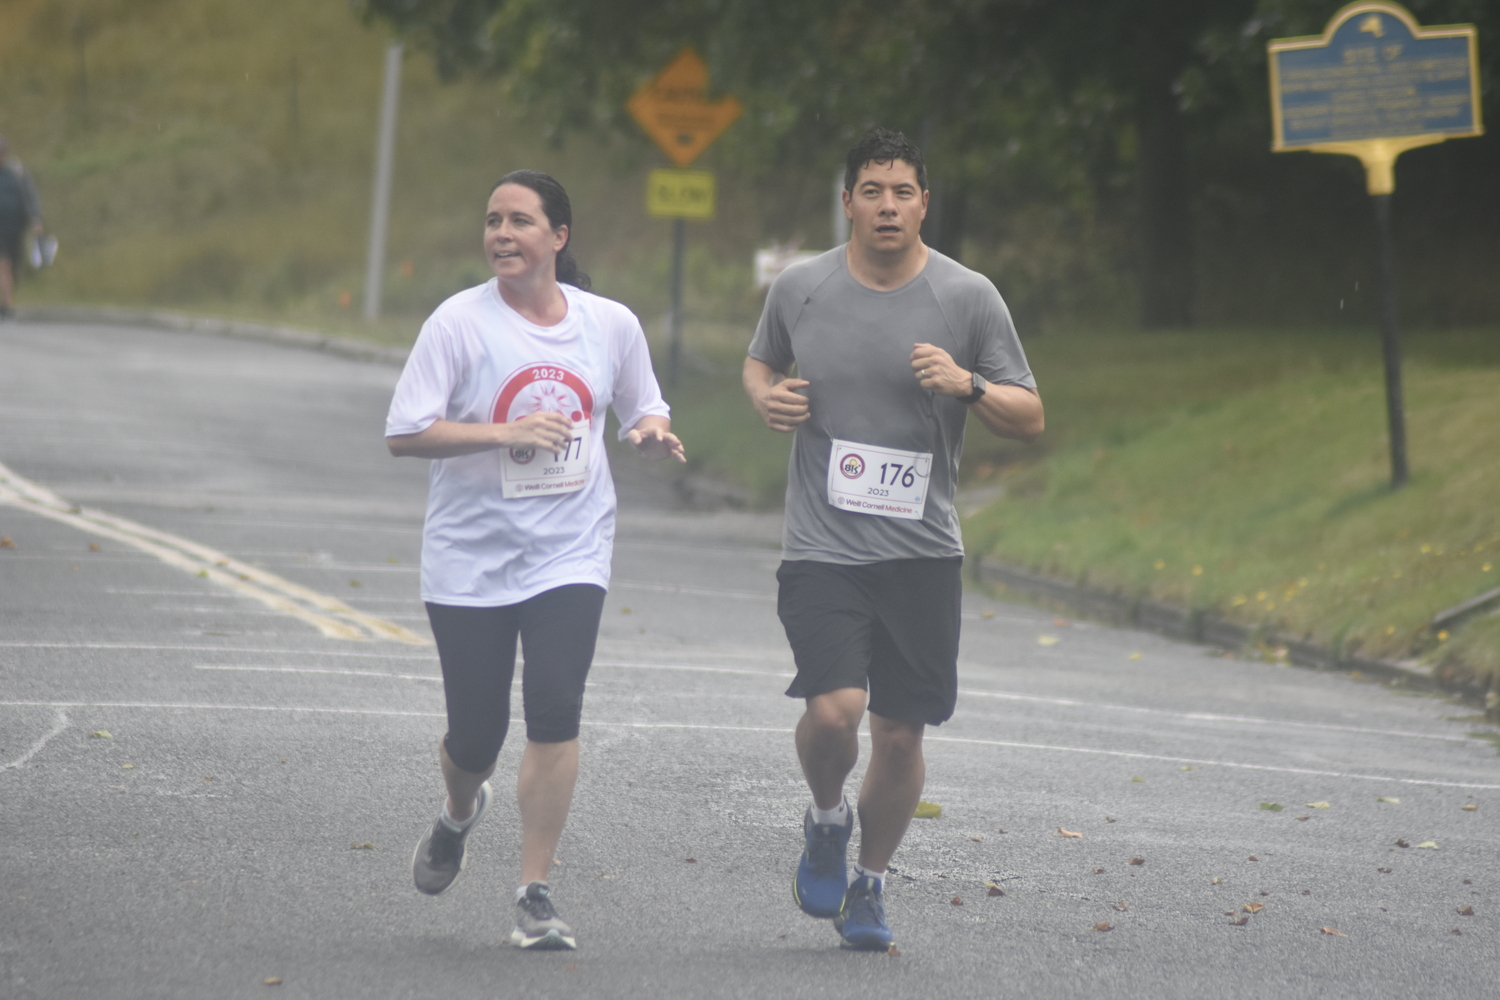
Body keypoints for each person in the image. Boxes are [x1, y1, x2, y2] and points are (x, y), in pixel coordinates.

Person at [743, 129, 1044, 951]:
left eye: (902, 191)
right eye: (871, 190)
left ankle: (870, 884)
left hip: (922, 552)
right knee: (836, 710)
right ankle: (826, 817)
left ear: (923, 202)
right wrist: (767, 399)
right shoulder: (801, 287)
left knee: (901, 733)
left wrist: (968, 382)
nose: (886, 205)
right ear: (848, 202)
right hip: (822, 545)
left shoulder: (968, 296)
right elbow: (759, 363)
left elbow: (1030, 414)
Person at [386, 170, 685, 951]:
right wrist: (501, 434)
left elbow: (640, 401)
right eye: (492, 221)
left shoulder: (608, 323)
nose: (502, 234)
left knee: (555, 710)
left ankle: (535, 893)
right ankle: (458, 814)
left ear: (559, 236)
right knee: (476, 737)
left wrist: (650, 429)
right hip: (470, 558)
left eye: (520, 220)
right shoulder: (457, 323)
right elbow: (405, 430)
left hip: (569, 550)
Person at [0, 137, 44, 318]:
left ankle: (5, 299)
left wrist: (36, 219)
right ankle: (8, 306)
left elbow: (30, 195)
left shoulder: (17, 171)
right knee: (3, 263)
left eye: (2, 153)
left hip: (16, 227)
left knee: (15, 265)